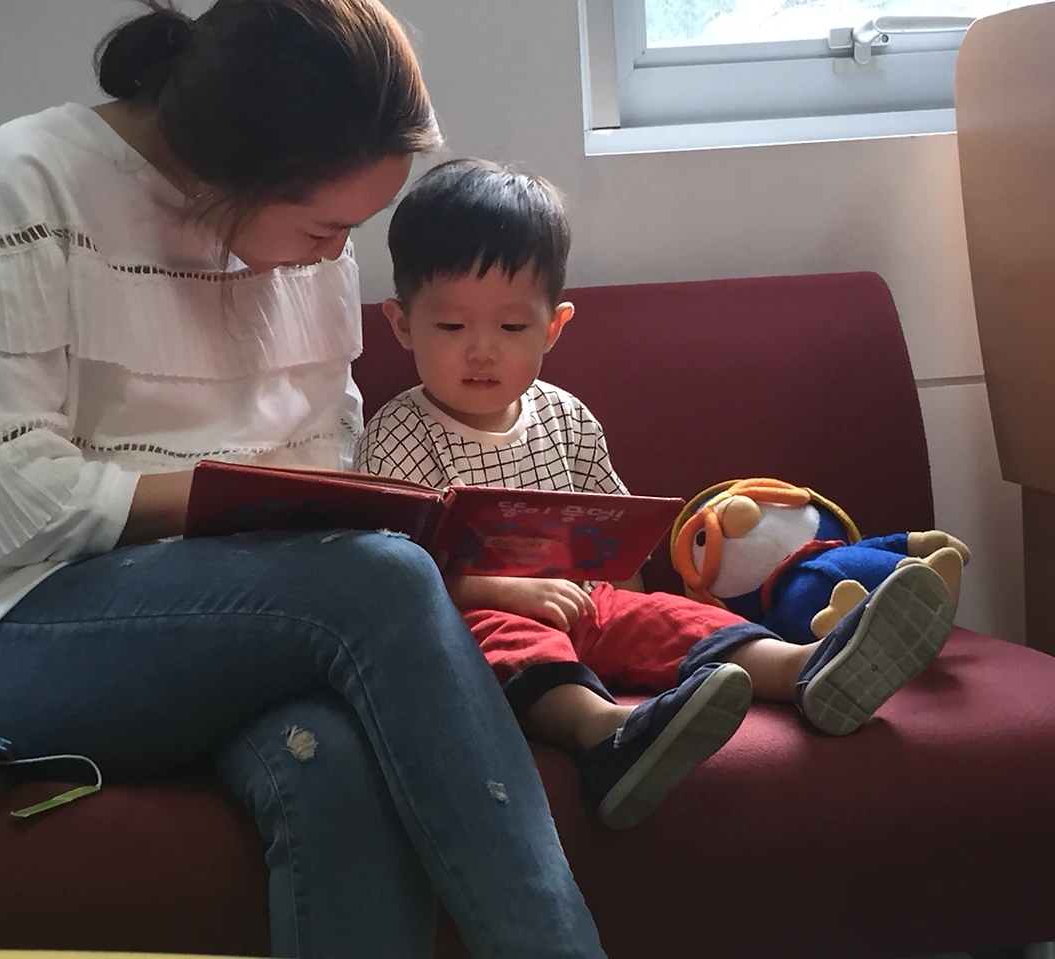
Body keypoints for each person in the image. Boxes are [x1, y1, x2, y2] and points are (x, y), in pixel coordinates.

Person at [0, 4, 608, 958]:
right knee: (384, 577)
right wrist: (220, 501)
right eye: (325, 227)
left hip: (255, 624)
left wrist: (310, 511)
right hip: (29, 634)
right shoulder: (34, 175)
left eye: (355, 228)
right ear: (228, 175)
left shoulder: (302, 232)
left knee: (333, 758)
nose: (337, 254)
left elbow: (323, 447)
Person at [355, 158, 956, 830]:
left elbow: (617, 535)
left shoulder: (566, 417)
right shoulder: (400, 433)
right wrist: (504, 590)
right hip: (476, 616)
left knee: (674, 617)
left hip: (589, 600)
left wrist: (634, 601)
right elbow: (394, 571)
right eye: (452, 328)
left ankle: (807, 669)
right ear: (402, 324)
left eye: (512, 328)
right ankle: (605, 732)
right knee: (511, 640)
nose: (483, 351)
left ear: (553, 327)